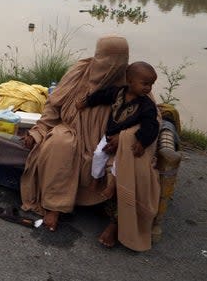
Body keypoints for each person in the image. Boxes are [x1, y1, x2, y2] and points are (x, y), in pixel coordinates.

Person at [19, 35, 160, 252]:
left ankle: (116, 224)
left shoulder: (134, 85)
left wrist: (124, 138)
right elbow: (53, 106)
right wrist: (38, 131)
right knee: (60, 142)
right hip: (73, 132)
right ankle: (54, 207)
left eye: (119, 61)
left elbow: (152, 121)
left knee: (130, 164)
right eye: (106, 59)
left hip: (111, 143)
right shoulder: (80, 73)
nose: (111, 67)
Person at [78, 61, 159, 202]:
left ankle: (112, 185)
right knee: (98, 154)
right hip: (109, 135)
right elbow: (100, 96)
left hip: (128, 140)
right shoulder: (116, 93)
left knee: (120, 162)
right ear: (129, 81)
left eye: (151, 84)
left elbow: (151, 125)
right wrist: (86, 102)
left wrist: (142, 141)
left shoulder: (147, 105)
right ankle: (95, 179)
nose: (148, 88)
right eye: (145, 84)